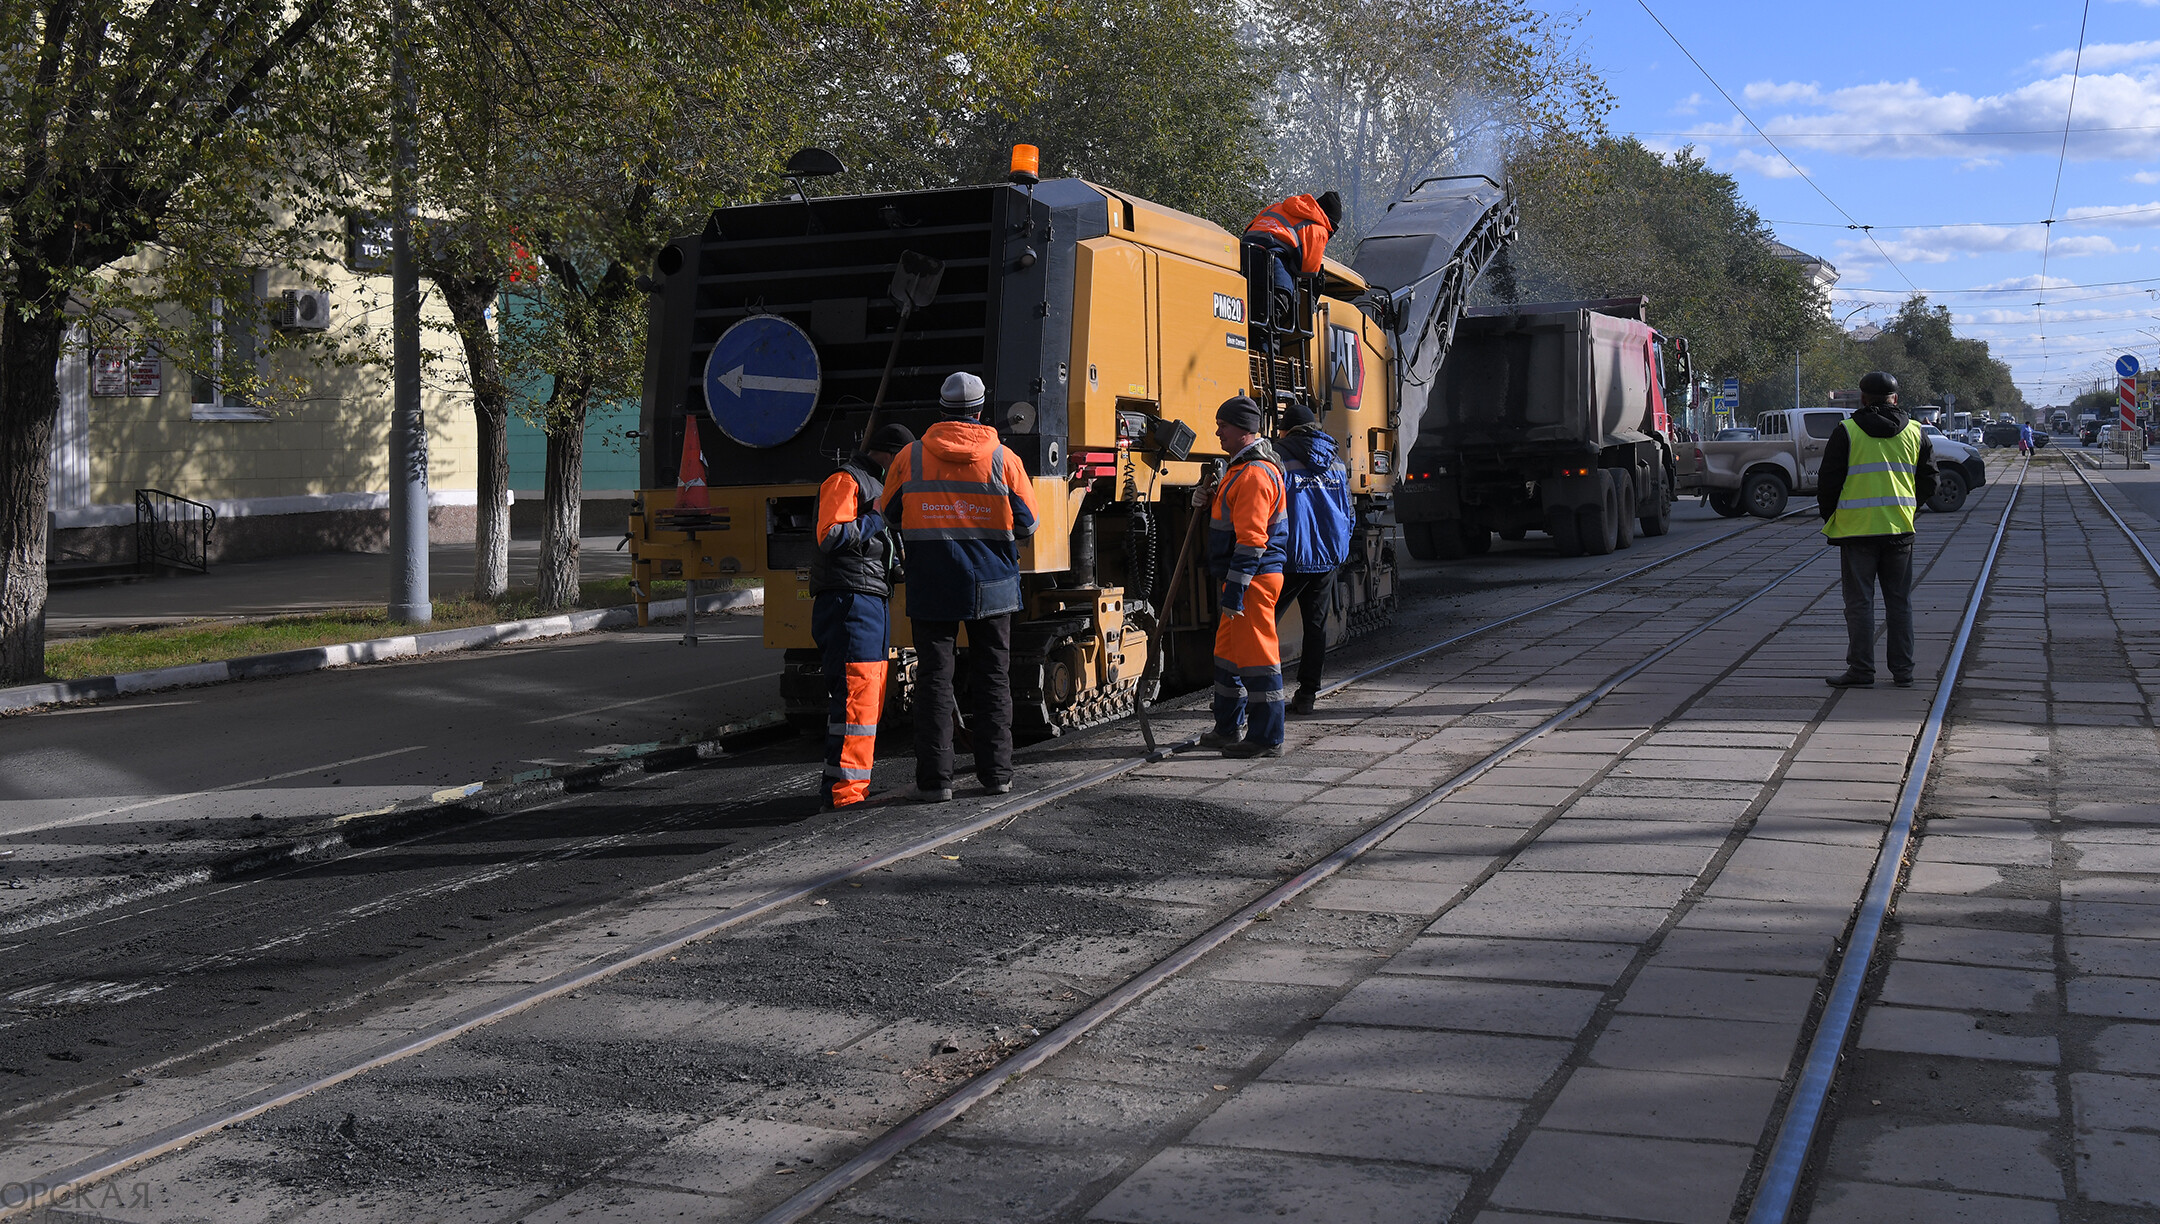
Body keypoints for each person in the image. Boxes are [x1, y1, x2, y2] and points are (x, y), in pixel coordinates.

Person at [878, 372, 1038, 802]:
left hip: (933, 582)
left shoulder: (909, 458)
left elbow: (889, 515)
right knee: (992, 678)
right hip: (995, 584)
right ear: (980, 411)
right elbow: (1029, 522)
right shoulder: (1005, 459)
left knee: (934, 680)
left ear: (942, 410)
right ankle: (997, 776)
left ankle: (936, 783)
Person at [809, 423, 914, 809]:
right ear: (888, 456)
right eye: (902, 462)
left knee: (866, 699)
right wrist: (879, 516)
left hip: (867, 599)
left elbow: (877, 549)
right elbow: (831, 536)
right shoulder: (845, 481)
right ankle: (844, 795)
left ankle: (848, 790)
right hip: (850, 602)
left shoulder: (874, 488)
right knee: (856, 699)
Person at [1819, 371, 1936, 690]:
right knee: (1899, 601)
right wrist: (1911, 507)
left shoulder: (1847, 431)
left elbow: (1828, 481)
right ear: (1895, 399)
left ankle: (1861, 669)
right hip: (1899, 530)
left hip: (1856, 533)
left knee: (1859, 603)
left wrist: (1832, 517)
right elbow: (1930, 480)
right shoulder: (1916, 432)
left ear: (1863, 398)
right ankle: (1903, 671)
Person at [1200, 395, 1290, 757]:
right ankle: (1228, 727)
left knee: (1256, 657)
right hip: (1242, 578)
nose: (1218, 430)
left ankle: (1267, 738)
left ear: (1243, 430)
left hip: (1252, 579)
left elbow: (1252, 541)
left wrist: (1236, 591)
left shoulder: (1254, 474)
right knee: (1228, 655)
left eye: (1224, 424)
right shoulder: (1240, 470)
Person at [1274, 399, 1352, 715]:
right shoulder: (1336, 461)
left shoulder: (1278, 458)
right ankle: (1307, 695)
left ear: (1286, 430)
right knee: (1316, 627)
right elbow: (1349, 510)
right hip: (1326, 557)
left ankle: (1254, 696)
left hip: (1291, 555)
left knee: (1262, 624)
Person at [1243, 191, 1342, 323]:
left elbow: (1246, 232)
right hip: (1271, 269)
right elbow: (1307, 271)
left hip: (1244, 257)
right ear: (1331, 224)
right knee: (1271, 320)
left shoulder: (1276, 207)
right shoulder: (1317, 228)